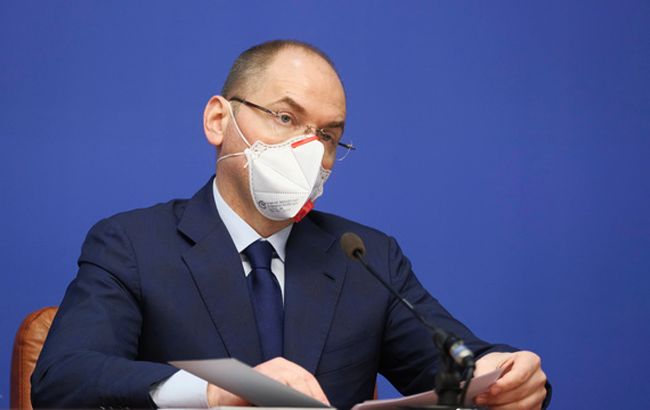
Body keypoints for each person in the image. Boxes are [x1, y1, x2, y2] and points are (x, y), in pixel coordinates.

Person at [31, 40, 549, 410]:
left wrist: (510, 376)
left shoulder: (365, 256)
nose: (308, 150)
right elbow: (64, 379)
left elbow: (461, 364)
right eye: (285, 118)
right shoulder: (132, 244)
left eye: (327, 135)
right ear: (218, 120)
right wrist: (212, 393)